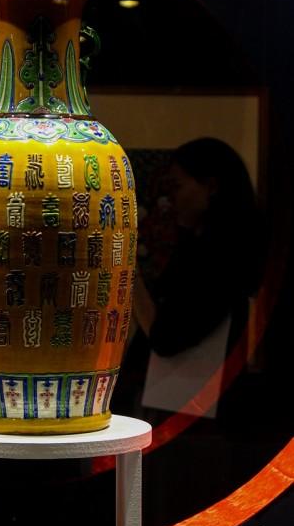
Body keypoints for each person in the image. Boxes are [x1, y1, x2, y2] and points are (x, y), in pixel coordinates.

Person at [112, 137, 265, 421]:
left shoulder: (220, 258)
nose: (171, 198)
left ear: (211, 187)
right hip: (184, 404)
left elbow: (165, 338)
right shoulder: (199, 246)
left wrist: (127, 270)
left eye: (177, 186)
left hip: (189, 412)